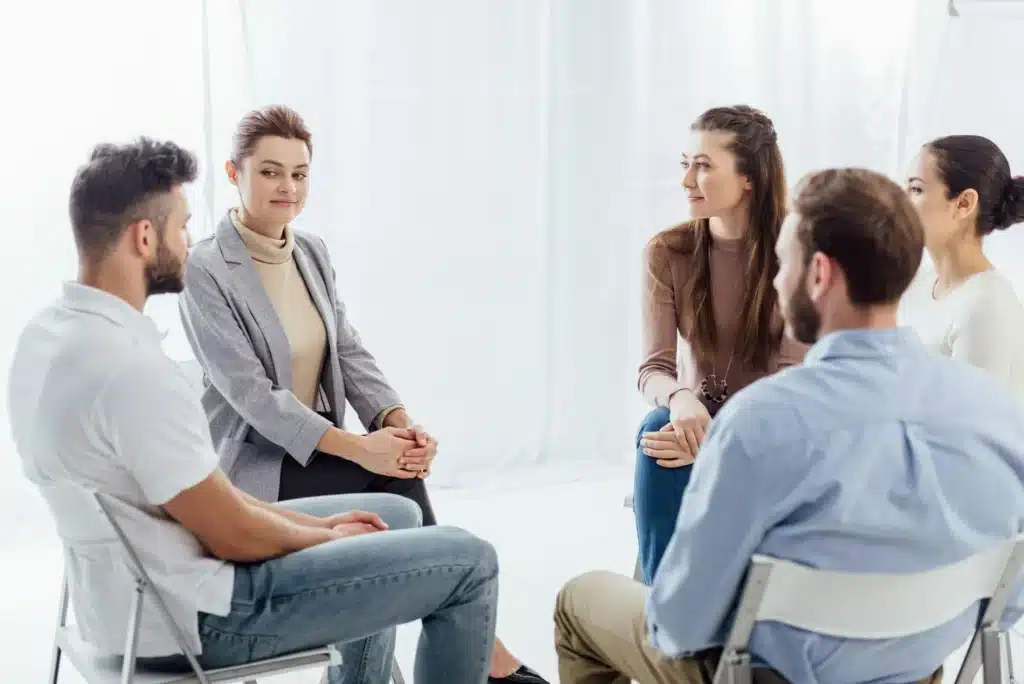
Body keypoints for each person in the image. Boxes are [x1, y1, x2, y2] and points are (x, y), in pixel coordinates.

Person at [7, 138, 502, 684]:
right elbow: (232, 534)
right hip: (205, 615)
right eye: (180, 226)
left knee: (394, 515)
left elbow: (205, 500)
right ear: (144, 237)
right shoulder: (132, 370)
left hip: (124, 600)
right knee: (471, 560)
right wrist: (328, 537)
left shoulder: (50, 338)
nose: (187, 240)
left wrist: (331, 519)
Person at [555, 168, 1024, 684]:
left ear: (819, 274)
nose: (776, 282)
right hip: (917, 673)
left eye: (782, 263)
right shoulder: (998, 411)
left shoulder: (761, 421)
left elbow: (678, 627)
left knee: (580, 603)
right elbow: (1009, 603)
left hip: (768, 676)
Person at [178, 105, 547, 684]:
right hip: (257, 464)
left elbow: (347, 350)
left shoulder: (311, 252)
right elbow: (253, 397)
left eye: (299, 174)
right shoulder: (206, 267)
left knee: (399, 468)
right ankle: (482, 656)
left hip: (324, 445)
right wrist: (360, 447)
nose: (288, 187)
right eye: (271, 172)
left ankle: (407, 660)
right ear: (233, 173)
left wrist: (397, 421)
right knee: (392, 482)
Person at [634, 105, 806, 584]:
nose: (688, 179)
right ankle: (661, 607)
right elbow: (653, 369)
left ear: (749, 178)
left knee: (668, 436)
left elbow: (794, 378)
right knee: (657, 427)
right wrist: (680, 397)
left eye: (704, 166)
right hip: (694, 428)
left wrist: (721, 438)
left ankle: (684, 616)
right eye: (685, 163)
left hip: (773, 433)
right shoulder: (668, 252)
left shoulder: (799, 253)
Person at [900, 134, 1024, 397]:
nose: (901, 203)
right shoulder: (917, 283)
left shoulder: (988, 304)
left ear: (964, 204)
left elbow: (968, 430)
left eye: (916, 189)